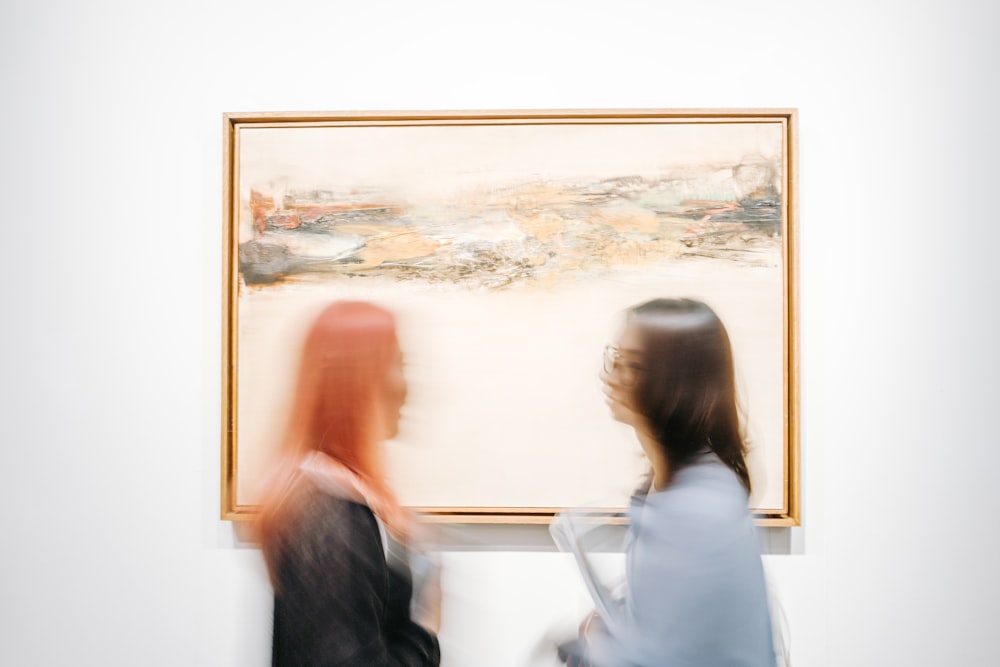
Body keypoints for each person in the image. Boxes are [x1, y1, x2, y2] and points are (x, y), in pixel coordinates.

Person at [559, 298, 776, 667]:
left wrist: (596, 641)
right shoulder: (676, 486)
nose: (610, 376)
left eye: (633, 365)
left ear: (677, 383)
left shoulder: (695, 510)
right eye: (615, 358)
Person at [255, 301, 441, 666]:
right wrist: (425, 630)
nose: (406, 388)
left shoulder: (327, 496)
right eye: (399, 365)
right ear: (361, 380)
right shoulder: (329, 513)